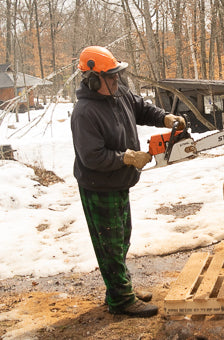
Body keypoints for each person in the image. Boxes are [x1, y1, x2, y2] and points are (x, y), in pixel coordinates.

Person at [71, 46, 185, 317]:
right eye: (110, 77)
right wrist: (126, 158)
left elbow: (141, 107)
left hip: (120, 182)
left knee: (121, 239)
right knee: (109, 244)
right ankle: (121, 300)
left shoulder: (117, 93)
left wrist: (165, 117)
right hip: (99, 185)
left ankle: (119, 289)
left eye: (116, 75)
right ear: (93, 79)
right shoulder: (84, 112)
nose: (116, 80)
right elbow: (92, 157)